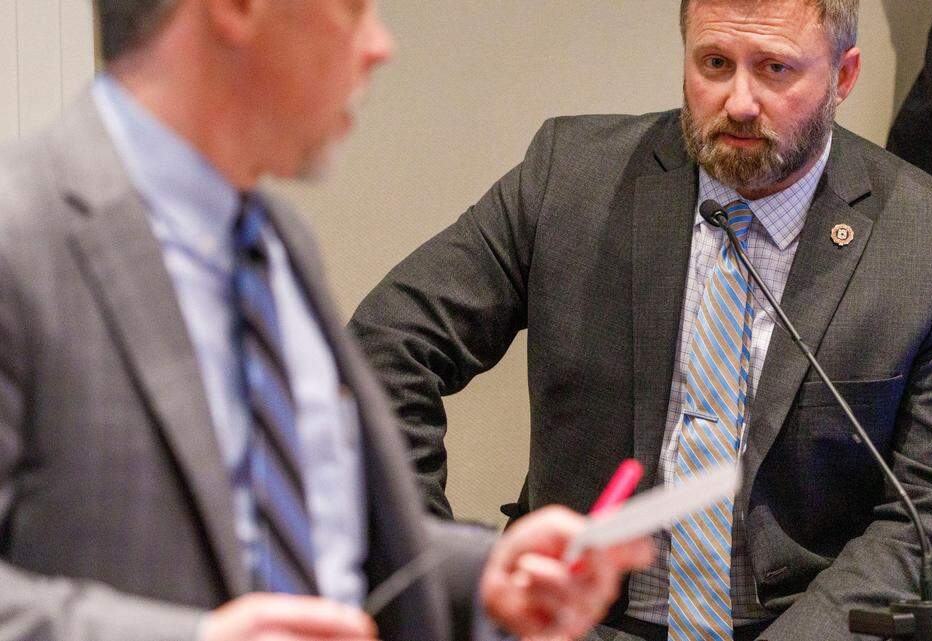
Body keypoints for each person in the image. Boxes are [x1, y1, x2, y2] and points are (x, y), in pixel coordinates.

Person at [348, 0, 932, 639]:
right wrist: (434, 564)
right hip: (580, 620)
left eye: (775, 69)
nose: (741, 101)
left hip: (802, 623)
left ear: (844, 76)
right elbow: (385, 348)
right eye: (715, 63)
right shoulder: (571, 176)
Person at [0, 2, 653, 641]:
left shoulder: (277, 240)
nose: (379, 45)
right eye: (351, 9)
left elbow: (321, 539)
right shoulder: (22, 236)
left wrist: (487, 574)